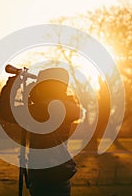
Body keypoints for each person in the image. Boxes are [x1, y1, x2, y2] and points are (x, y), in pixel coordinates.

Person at [27, 67, 80, 196]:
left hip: (47, 176)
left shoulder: (50, 108)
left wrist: (11, 85)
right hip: (55, 174)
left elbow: (8, 113)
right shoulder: (66, 105)